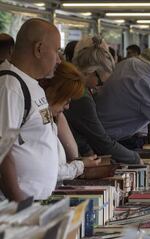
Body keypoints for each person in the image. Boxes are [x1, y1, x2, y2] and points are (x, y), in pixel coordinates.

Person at [0, 19, 61, 201]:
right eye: (57, 51)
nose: (59, 59)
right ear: (39, 49)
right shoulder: (10, 86)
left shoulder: (31, 84)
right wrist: (20, 205)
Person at [65, 36, 141, 164]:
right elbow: (102, 142)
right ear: (90, 71)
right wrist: (135, 158)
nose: (99, 88)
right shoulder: (81, 96)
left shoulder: (73, 87)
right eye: (100, 82)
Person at [43, 61, 101, 181]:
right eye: (66, 100)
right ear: (54, 93)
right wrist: (80, 165)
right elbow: (50, 170)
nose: (67, 107)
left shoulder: (48, 117)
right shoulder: (42, 116)